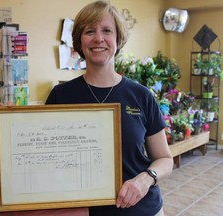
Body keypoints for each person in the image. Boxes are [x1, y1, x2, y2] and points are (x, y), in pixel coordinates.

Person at [45, 1, 173, 216]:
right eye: (89, 31)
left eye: (106, 30)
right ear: (79, 41)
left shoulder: (142, 95)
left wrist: (145, 178)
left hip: (140, 209)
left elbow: (165, 159)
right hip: (81, 211)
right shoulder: (61, 95)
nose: (98, 38)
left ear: (118, 38)